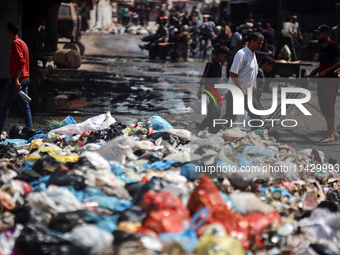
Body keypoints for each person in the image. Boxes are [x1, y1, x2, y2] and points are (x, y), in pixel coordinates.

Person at [221, 32, 264, 130]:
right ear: (251, 41)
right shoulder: (242, 54)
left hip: (247, 93)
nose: (261, 46)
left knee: (256, 115)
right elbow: (232, 73)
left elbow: (253, 72)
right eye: (259, 43)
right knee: (229, 118)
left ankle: (256, 137)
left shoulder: (253, 54)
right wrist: (241, 89)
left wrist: (255, 84)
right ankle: (212, 131)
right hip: (236, 92)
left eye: (262, 43)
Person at [0, 22, 33, 133]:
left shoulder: (15, 43)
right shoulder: (22, 43)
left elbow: (21, 62)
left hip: (18, 81)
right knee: (25, 107)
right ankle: (30, 130)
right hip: (23, 79)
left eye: (6, 31)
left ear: (9, 31)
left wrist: (16, 80)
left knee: (5, 106)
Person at [310, 24, 340, 143]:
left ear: (326, 34)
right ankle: (334, 132)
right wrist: (317, 70)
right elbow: (325, 63)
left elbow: (339, 62)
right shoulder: (323, 46)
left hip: (331, 80)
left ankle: (330, 135)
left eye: (319, 34)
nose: (317, 36)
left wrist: (326, 71)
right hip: (322, 79)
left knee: (328, 105)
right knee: (324, 105)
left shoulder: (333, 46)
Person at [196, 46, 230, 134]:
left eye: (226, 57)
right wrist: (200, 90)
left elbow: (218, 79)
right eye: (224, 57)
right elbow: (203, 77)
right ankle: (203, 126)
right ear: (219, 54)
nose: (225, 59)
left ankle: (209, 129)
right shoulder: (210, 63)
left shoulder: (220, 65)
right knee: (213, 112)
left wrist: (221, 93)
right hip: (208, 91)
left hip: (216, 92)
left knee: (217, 112)